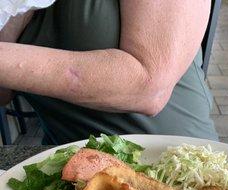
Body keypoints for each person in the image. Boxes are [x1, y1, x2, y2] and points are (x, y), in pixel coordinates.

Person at [0, 0, 217, 145]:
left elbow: (149, 88)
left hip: (171, 168)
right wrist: (18, 11)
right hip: (67, 166)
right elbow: (3, 94)